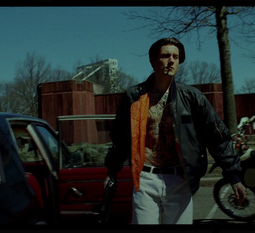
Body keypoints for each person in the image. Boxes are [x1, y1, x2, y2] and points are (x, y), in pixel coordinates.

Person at [104, 38, 246, 224]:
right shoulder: (134, 96)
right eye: (165, 55)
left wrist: (233, 175)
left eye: (176, 57)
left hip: (180, 178)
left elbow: (217, 137)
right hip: (145, 178)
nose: (171, 60)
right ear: (153, 60)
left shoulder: (192, 97)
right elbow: (121, 137)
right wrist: (112, 170)